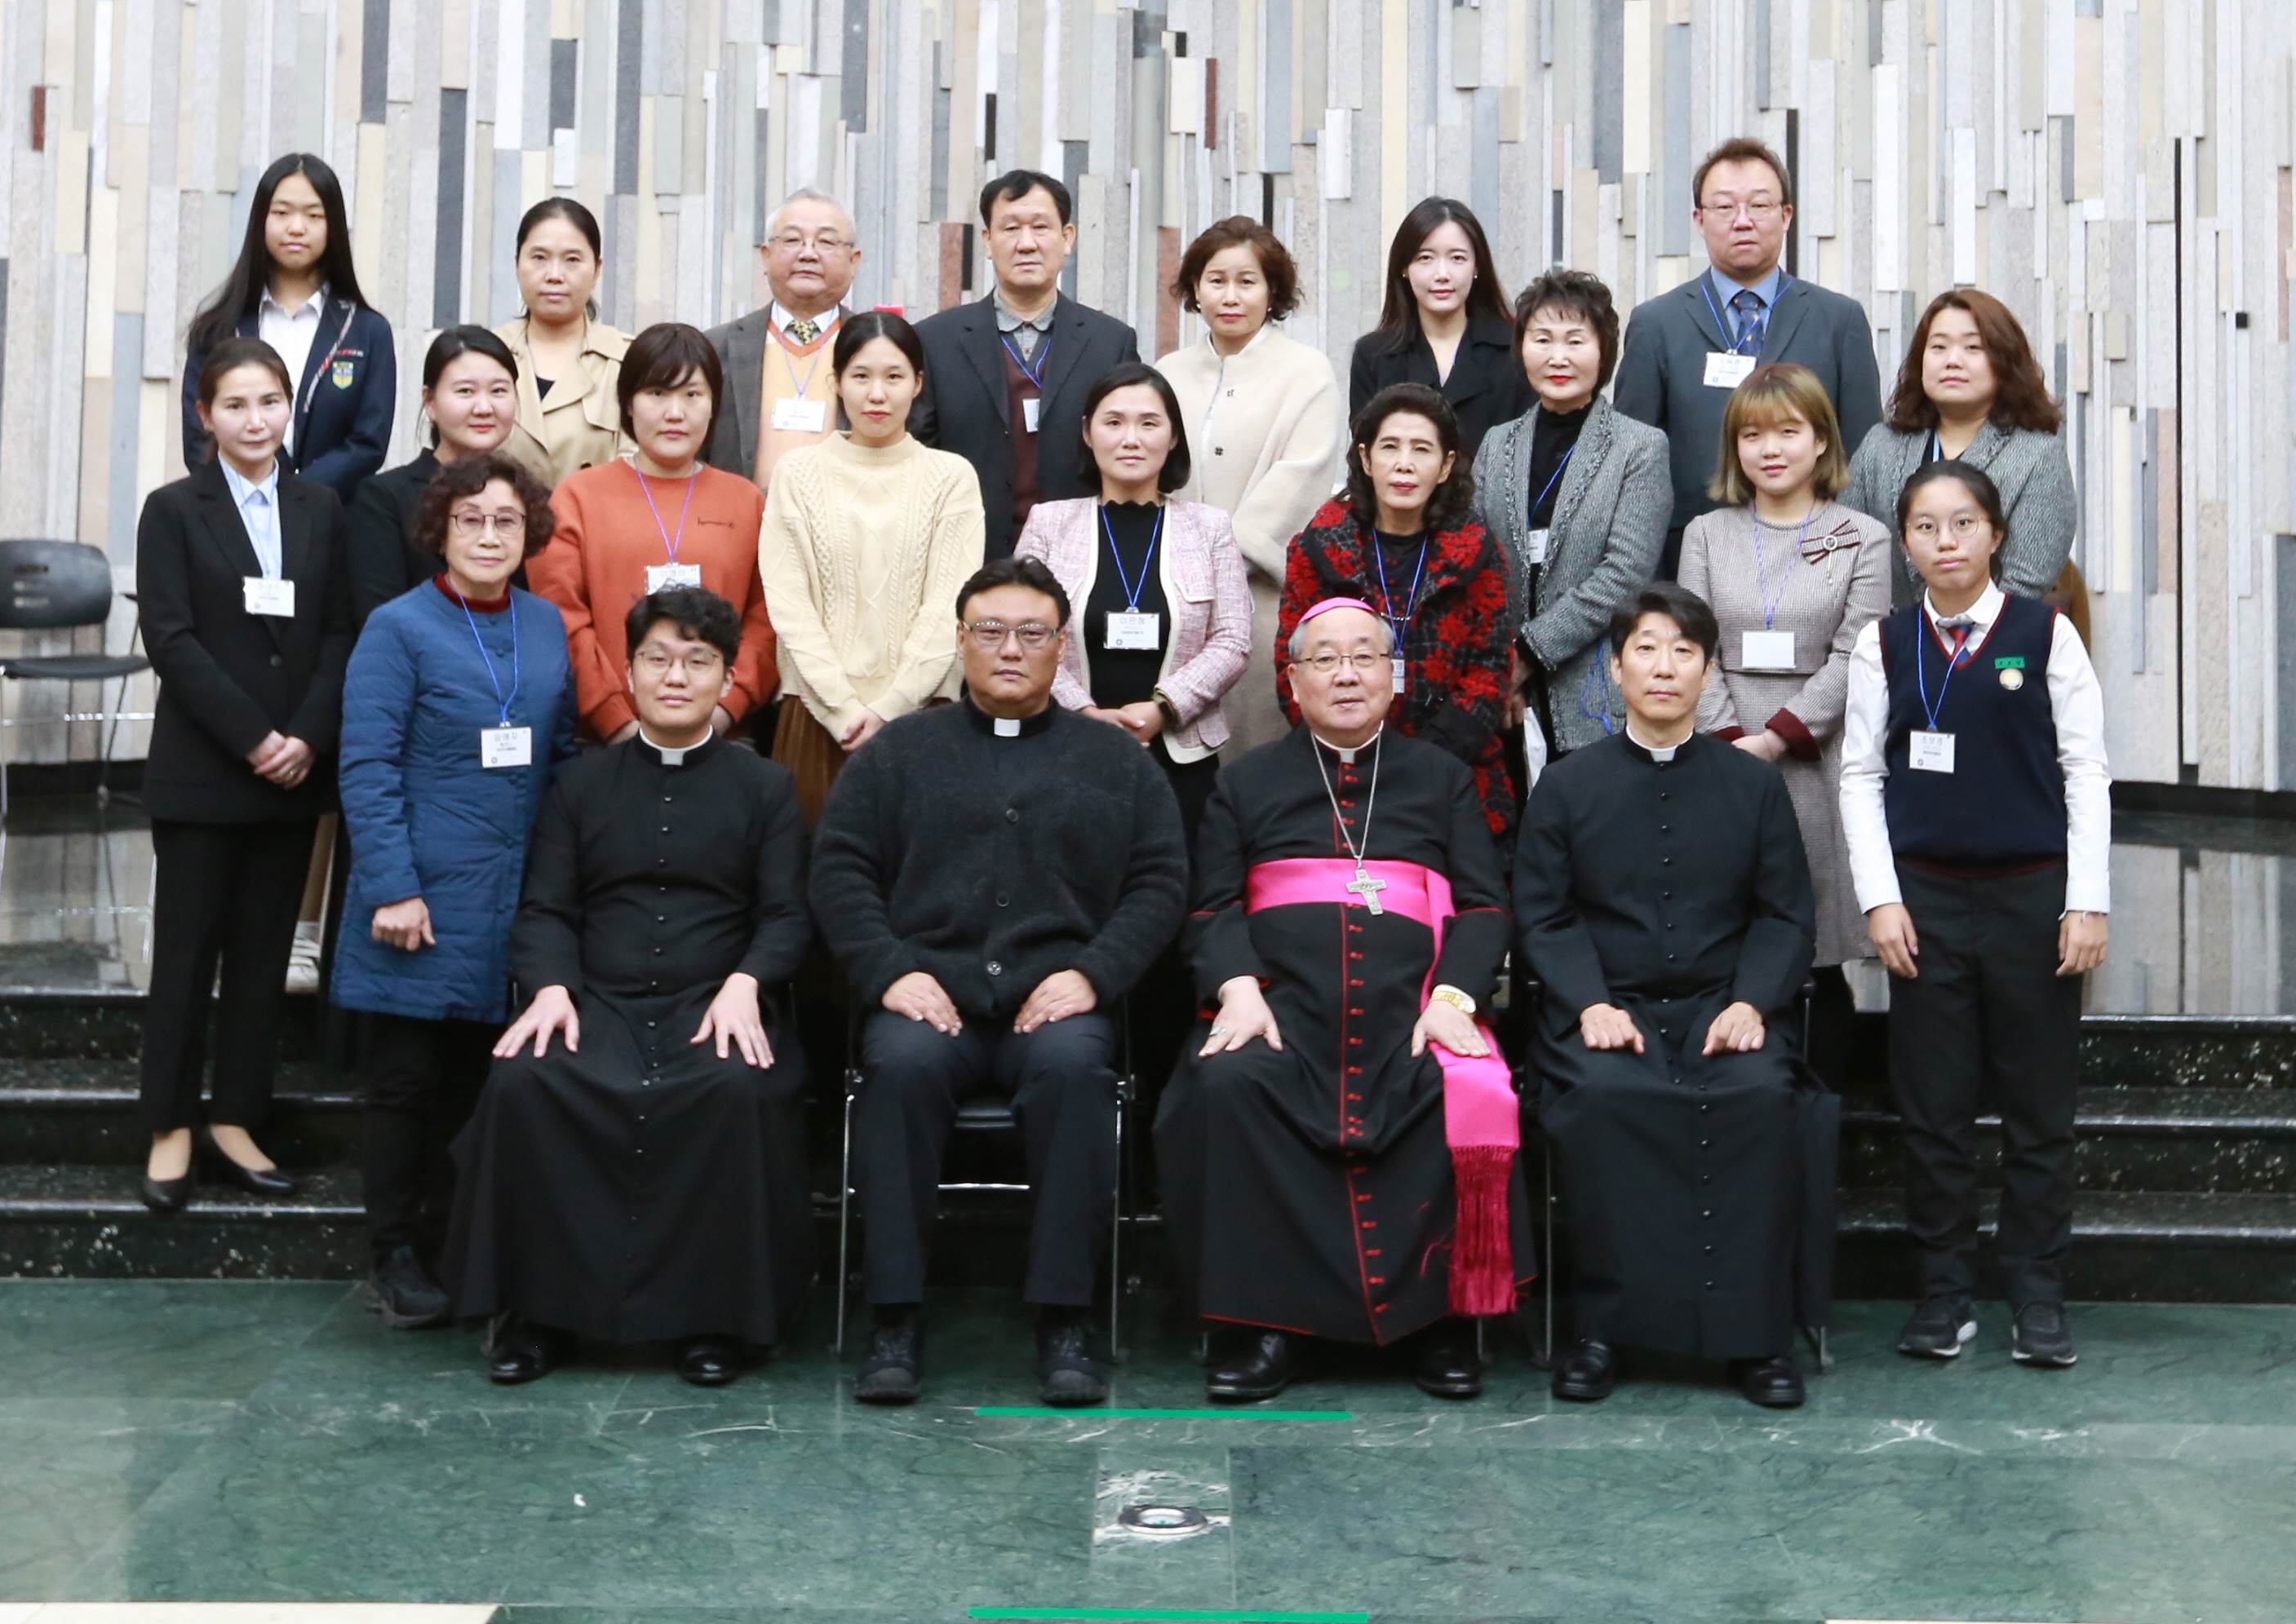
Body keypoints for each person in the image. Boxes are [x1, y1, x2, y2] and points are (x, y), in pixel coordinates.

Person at [809, 560, 1189, 1409]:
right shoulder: (899, 751)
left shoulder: (1114, 759)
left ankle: (1064, 1319)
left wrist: (1094, 972)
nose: (1009, 649)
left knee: (1075, 1073)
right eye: (990, 631)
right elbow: (839, 871)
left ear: (1062, 646)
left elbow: (1161, 880)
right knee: (898, 1069)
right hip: (926, 996)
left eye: (1031, 633)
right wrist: (890, 969)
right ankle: (895, 1317)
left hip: (1057, 1001)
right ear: (960, 641)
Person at [448, 588, 809, 1387]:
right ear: (628, 670)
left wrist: (748, 982)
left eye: (697, 661)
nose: (676, 677)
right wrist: (550, 988)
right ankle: (539, 1317)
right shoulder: (580, 787)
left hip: (712, 1002)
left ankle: (715, 1322)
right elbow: (546, 908)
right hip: (597, 1001)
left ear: (728, 677)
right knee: (526, 1082)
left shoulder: (767, 789)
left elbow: (787, 915)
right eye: (658, 659)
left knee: (734, 1089)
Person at [1166, 597, 1516, 1405]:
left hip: (1414, 1015)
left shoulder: (1440, 778)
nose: (1347, 674)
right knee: (1227, 1085)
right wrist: (1238, 990)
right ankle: (1267, 1328)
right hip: (1281, 1015)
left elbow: (1485, 905)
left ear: (1395, 676)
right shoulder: (1247, 780)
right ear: (1293, 680)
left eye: (1365, 656)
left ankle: (1438, 1324)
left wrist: (1453, 999)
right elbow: (1210, 906)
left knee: (1453, 1084)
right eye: (1325, 659)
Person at [1515, 581, 1823, 1408]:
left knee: (1760, 1096)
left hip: (1726, 1009)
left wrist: (1752, 1003)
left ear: (1706, 671)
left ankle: (1757, 1340)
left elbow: (1785, 914)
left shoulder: (1753, 785)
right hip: (1605, 1010)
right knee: (1605, 1097)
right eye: (1645, 650)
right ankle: (1602, 1334)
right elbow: (1543, 914)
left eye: (1683, 652)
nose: (1663, 668)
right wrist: (1589, 1004)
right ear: (1615, 670)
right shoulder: (1567, 785)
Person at [1840, 459, 2111, 1371]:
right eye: (1925, 527)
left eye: (1963, 524)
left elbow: (2086, 772)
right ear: (1905, 543)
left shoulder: (2046, 633)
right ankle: (1944, 1294)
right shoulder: (1882, 643)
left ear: (1996, 535)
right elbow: (1860, 777)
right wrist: (1880, 898)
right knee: (1934, 1110)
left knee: (2039, 1111)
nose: (1945, 542)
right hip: (1924, 905)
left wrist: (2086, 901)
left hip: (2033, 899)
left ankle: (2037, 1296)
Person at [331, 449, 569, 1329]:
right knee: (405, 1085)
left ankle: (464, 1249)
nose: (489, 536)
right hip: (420, 896)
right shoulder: (397, 627)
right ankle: (395, 1256)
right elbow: (367, 766)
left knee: (480, 1084)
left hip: (511, 891)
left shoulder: (544, 624)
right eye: (471, 520)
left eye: (507, 521)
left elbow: (562, 756)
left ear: (529, 533)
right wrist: (393, 886)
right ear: (440, 529)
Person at [131, 338, 354, 1212]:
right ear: (205, 415)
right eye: (235, 405)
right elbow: (170, 638)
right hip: (204, 770)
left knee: (263, 962)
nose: (255, 421)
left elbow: (339, 631)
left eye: (269, 403)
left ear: (289, 407)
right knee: (186, 957)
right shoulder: (172, 510)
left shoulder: (321, 505)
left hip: (293, 774)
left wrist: (305, 736)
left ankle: (237, 1120)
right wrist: (254, 736)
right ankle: (170, 1125)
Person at [1682, 365, 1890, 979]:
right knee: (1723, 924)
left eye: (1788, 432)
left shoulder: (1864, 537)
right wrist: (1731, 743)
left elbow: (1857, 652)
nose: (1769, 449)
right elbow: (1692, 648)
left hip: (1817, 747)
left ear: (1821, 440)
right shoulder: (1705, 533)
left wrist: (1776, 739)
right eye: (1752, 435)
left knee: (1816, 941)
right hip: (1718, 748)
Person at [756, 312, 987, 812]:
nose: (877, 394)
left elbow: (950, 605)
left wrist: (891, 708)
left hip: (925, 714)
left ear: (918, 384)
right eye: (861, 376)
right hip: (817, 716)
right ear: (836, 382)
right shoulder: (797, 474)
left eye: (894, 376)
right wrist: (842, 708)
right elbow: (789, 605)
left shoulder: (951, 478)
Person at [1612, 138, 1882, 567]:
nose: (1742, 221)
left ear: (1786, 215)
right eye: (1724, 207)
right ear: (1699, 219)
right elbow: (1632, 463)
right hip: (1689, 560)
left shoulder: (1839, 320)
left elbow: (1863, 458)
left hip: (1816, 558)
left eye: (1759, 205)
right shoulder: (1656, 324)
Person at [1015, 365, 1254, 847]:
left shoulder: (1210, 528)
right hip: (1062, 749)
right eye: (1114, 422)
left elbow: (1233, 639)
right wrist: (1083, 713)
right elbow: (1021, 634)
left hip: (1180, 757)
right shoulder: (1048, 524)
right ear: (1088, 434)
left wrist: (1165, 708)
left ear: (1173, 438)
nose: (1131, 439)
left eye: (1148, 423)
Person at [1277, 384, 1521, 845]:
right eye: (1390, 447)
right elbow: (1292, 662)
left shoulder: (1478, 551)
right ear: (1366, 460)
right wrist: (1356, 751)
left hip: (1455, 771)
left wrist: (1421, 762)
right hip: (1340, 773)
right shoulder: (1318, 547)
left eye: (1421, 449)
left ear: (1446, 465)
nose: (1404, 464)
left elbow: (1489, 671)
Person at [1465, 267, 1675, 771]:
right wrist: (1500, 664)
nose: (1557, 357)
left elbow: (1624, 575)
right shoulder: (1497, 444)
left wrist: (1528, 653)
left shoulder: (1639, 447)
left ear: (1603, 352)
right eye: (1542, 339)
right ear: (1522, 349)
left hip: (1595, 689)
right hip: (1503, 696)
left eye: (1575, 340)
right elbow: (1475, 558)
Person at [530, 321, 778, 744]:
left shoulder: (746, 502)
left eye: (692, 395)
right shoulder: (577, 498)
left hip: (722, 741)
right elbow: (561, 619)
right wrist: (614, 721)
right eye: (657, 393)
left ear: (714, 404)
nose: (675, 413)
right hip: (604, 742)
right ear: (628, 403)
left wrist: (725, 711)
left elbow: (768, 619)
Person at [1163, 215, 1347, 763]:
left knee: (1253, 752)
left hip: (1262, 596)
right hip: (1171, 594)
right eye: (1216, 280)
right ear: (1195, 289)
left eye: (1247, 281)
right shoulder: (1167, 372)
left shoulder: (1306, 372)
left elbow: (1302, 475)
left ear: (1272, 291)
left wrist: (1219, 563)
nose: (1231, 296)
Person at [912, 168, 1145, 563]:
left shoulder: (1111, 343)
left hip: (1082, 559)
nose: (1026, 243)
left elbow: (1129, 459)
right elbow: (919, 460)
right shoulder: (934, 341)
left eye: (1040, 227)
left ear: (1067, 238)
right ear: (987, 240)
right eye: (1010, 228)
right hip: (965, 558)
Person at [1847, 286, 2082, 613]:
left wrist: (1950, 631)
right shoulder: (1880, 445)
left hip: (1994, 637)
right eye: (1938, 347)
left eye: (1973, 347)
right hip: (1887, 635)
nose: (1953, 361)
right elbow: (1848, 552)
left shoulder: (2038, 454)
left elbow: (2024, 581)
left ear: (2004, 361)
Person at [178, 153, 398, 495]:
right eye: (282, 213)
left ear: (333, 227)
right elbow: (199, 435)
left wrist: (296, 498)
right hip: (233, 513)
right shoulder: (218, 328)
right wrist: (255, 495)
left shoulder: (368, 331)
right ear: (261, 221)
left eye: (313, 215)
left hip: (334, 515)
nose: (297, 227)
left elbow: (369, 442)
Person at [344, 326, 524, 622]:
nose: (484, 407)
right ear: (430, 402)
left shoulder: (525, 496)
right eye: (465, 391)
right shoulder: (384, 499)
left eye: (499, 391)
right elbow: (379, 617)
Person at [1345, 196, 1531, 451]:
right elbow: (1365, 455)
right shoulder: (1373, 355)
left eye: (1457, 258)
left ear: (1477, 267)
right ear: (1404, 268)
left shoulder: (1516, 349)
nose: (1442, 274)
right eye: (1425, 258)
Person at [704, 191, 861, 487]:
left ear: (854, 261)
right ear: (765, 256)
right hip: (743, 514)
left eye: (826, 242)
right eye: (792, 240)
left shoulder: (878, 348)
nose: (808, 254)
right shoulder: (715, 348)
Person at [499, 197, 633, 489]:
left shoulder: (630, 361)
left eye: (572, 260)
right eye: (539, 258)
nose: (554, 275)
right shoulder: (485, 355)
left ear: (596, 269)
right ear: (517, 264)